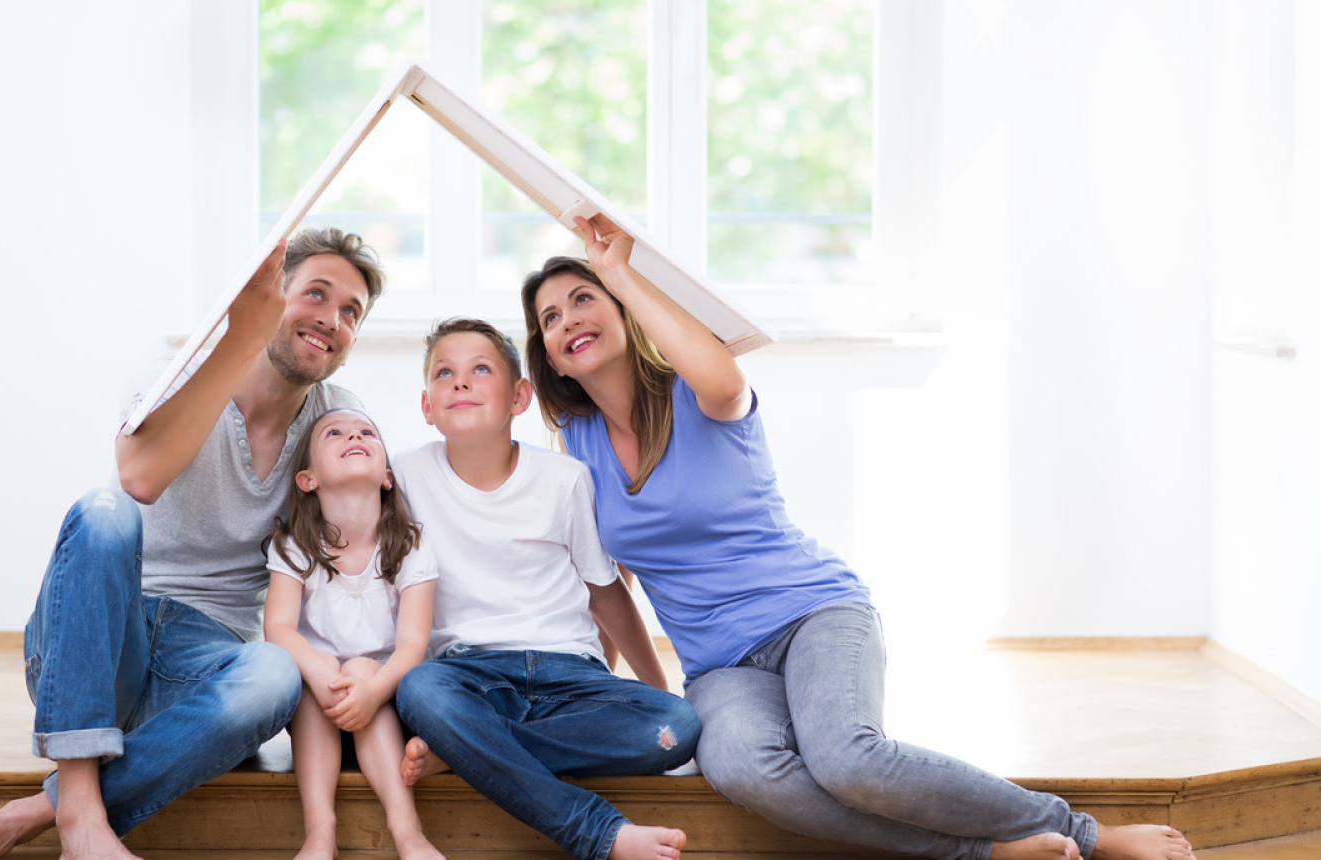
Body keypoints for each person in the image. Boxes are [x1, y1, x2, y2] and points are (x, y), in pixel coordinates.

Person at [517, 215, 1199, 860]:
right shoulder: (575, 450)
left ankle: (1085, 831)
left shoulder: (696, 389)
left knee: (845, 757)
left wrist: (622, 270)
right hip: (720, 668)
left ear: (622, 310)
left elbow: (726, 378)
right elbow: (606, 585)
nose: (569, 319)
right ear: (550, 357)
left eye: (584, 298)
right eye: (550, 318)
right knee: (744, 771)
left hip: (814, 612)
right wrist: (612, 688)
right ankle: (983, 850)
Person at [0, 228, 386, 860]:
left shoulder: (336, 418)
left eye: (350, 312)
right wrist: (242, 338)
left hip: (206, 663)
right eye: (315, 294)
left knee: (276, 674)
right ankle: (84, 818)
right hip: (99, 642)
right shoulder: (171, 371)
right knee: (104, 511)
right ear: (268, 297)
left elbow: (357, 547)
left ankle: (44, 810)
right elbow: (139, 479)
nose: (329, 319)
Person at [389, 318, 700, 860]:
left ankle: (468, 748)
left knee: (676, 726)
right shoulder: (404, 476)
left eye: (480, 369)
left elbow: (606, 593)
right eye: (445, 373)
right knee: (419, 691)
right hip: (468, 674)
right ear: (426, 406)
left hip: (568, 673)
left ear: (519, 396)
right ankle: (598, 832)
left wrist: (657, 688)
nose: (460, 382)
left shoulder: (564, 478)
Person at [263, 407, 443, 860]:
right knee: (315, 668)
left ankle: (408, 832)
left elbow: (412, 646)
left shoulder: (409, 545)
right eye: (335, 434)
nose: (353, 436)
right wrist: (322, 676)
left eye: (366, 432)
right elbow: (279, 628)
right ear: (308, 480)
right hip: (318, 707)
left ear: (386, 476)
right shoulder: (294, 545)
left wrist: (372, 689)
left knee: (363, 666)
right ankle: (320, 831)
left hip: (384, 702)